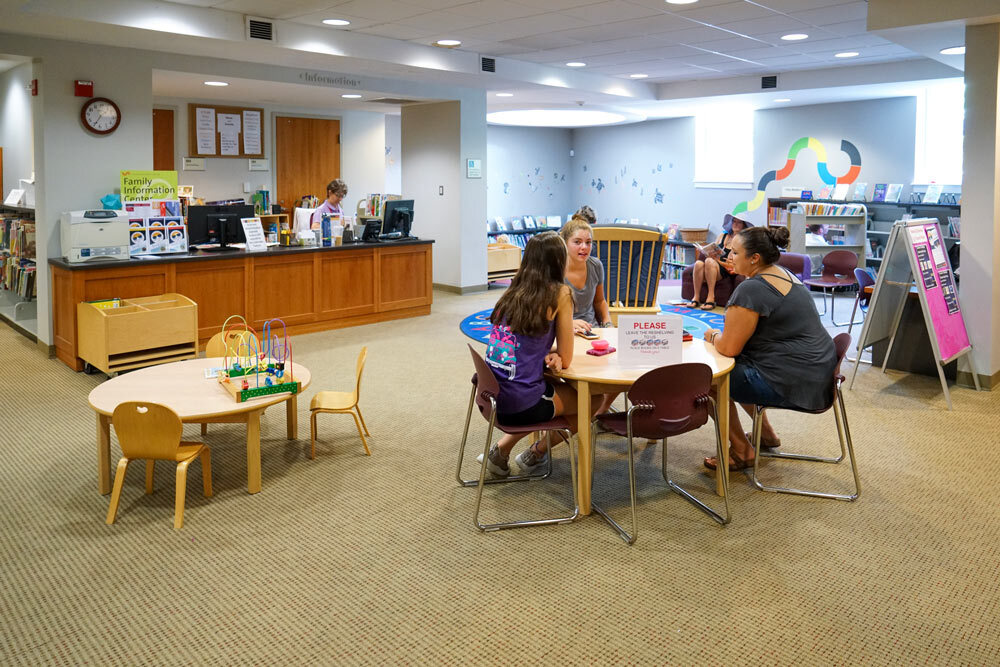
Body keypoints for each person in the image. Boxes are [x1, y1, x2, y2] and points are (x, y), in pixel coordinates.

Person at [701, 225, 837, 471]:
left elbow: (729, 348)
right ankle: (766, 434)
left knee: (709, 377)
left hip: (794, 382)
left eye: (734, 253)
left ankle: (742, 451)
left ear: (754, 258)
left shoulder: (752, 289)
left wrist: (713, 336)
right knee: (742, 367)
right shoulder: (783, 274)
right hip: (817, 375)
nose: (728, 257)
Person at [483, 232, 591, 477]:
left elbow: (522, 342)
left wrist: (549, 351)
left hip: (492, 396)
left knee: (554, 387)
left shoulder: (514, 291)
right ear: (558, 260)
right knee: (593, 401)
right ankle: (536, 453)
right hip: (520, 403)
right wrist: (559, 351)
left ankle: (501, 450)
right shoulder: (560, 293)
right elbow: (567, 357)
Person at [684, 214, 751, 311]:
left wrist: (716, 260)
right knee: (699, 263)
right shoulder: (722, 236)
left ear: (744, 225)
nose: (735, 224)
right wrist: (707, 252)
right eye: (734, 221)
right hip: (711, 266)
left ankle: (711, 297)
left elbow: (734, 264)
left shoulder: (743, 241)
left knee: (709, 261)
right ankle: (696, 297)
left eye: (739, 222)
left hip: (726, 270)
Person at [560, 216, 612, 335]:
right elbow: (545, 313)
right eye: (577, 242)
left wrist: (608, 323)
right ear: (565, 243)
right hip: (563, 331)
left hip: (592, 330)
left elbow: (599, 301)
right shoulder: (554, 269)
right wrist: (568, 323)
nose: (584, 247)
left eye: (588, 242)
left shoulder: (596, 265)